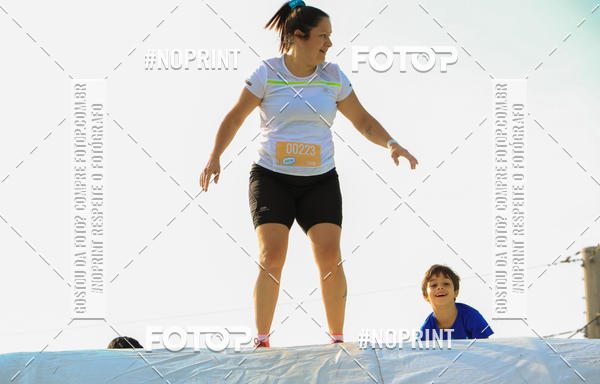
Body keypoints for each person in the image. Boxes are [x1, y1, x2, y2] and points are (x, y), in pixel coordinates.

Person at [200, 0, 418, 348]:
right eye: (323, 36)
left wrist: (391, 144)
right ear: (299, 36)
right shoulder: (268, 72)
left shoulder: (333, 76)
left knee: (330, 256)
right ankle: (261, 339)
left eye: (330, 36)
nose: (329, 43)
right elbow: (236, 116)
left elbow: (362, 120)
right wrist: (215, 156)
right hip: (272, 177)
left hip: (320, 180)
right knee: (272, 255)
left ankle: (337, 340)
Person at [420, 264, 494, 340]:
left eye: (446, 284)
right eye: (434, 285)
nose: (440, 287)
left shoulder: (471, 316)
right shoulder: (426, 329)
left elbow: (484, 345)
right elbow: (418, 347)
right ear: (426, 296)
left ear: (455, 292)